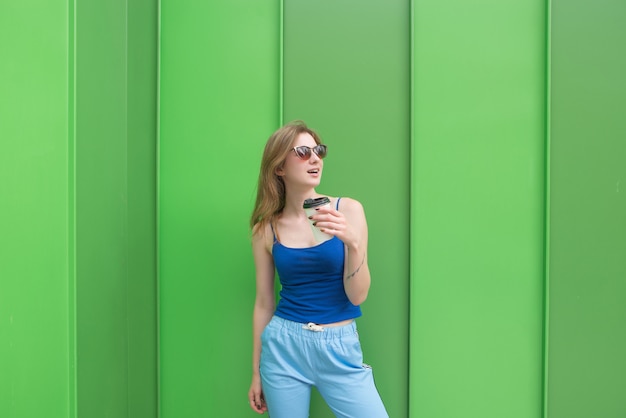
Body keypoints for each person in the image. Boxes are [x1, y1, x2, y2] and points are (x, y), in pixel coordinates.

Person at [247, 120, 388, 417]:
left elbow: (357, 296)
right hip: (284, 348)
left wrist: (353, 243)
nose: (314, 158)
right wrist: (257, 373)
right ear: (279, 167)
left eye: (318, 151)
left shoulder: (347, 210)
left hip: (338, 346)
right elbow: (263, 303)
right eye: (302, 152)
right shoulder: (265, 229)